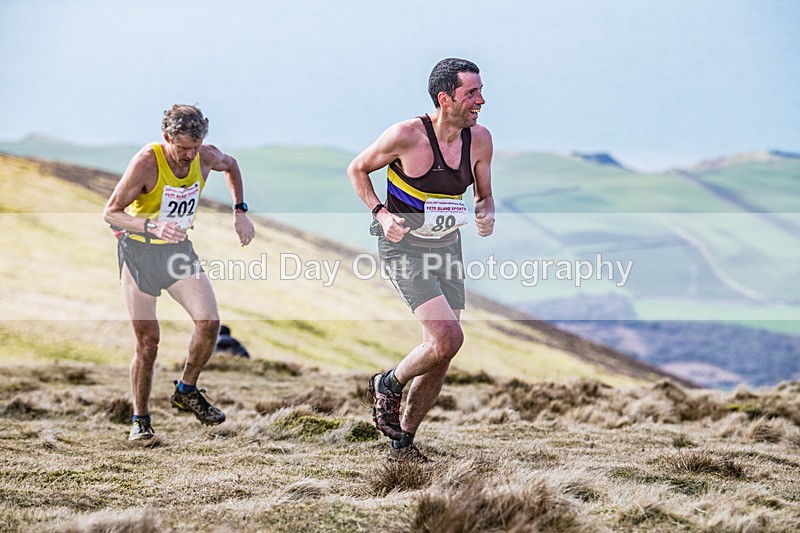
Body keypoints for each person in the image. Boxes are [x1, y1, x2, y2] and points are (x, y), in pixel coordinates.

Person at [347, 58, 495, 461]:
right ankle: (387, 384)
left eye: (481, 91)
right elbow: (357, 169)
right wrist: (381, 213)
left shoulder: (479, 140)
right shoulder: (407, 135)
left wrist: (486, 213)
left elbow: (484, 195)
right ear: (445, 99)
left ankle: (402, 444)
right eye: (472, 93)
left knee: (441, 354)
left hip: (447, 248)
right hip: (404, 248)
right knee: (448, 339)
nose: (481, 100)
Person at [103, 104, 256, 441]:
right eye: (183, 148)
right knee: (148, 343)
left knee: (209, 322)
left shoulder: (206, 155)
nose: (190, 156)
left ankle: (186, 390)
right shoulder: (147, 162)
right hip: (139, 252)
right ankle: (140, 419)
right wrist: (152, 226)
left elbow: (231, 165)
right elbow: (111, 212)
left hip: (177, 252)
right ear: (167, 137)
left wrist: (240, 211)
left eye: (195, 147)